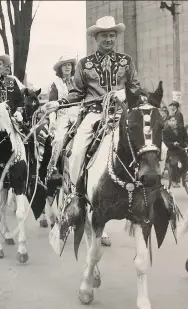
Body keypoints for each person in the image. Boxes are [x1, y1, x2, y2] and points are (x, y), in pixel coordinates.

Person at [43, 16, 140, 246]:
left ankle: (146, 192)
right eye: (104, 35)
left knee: (144, 145)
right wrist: (60, 102)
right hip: (94, 114)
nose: (108, 39)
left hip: (120, 114)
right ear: (96, 38)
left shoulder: (126, 61)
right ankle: (76, 196)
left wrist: (132, 100)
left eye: (112, 35)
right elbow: (77, 92)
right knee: (77, 152)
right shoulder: (84, 64)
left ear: (116, 37)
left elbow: (134, 88)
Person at [44, 55, 79, 179]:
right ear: (60, 68)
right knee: (58, 139)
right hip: (62, 114)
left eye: (69, 64)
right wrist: (52, 121)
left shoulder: (78, 80)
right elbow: (51, 105)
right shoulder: (55, 84)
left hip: (78, 112)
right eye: (65, 65)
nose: (68, 67)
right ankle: (53, 167)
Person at [163, 115, 188, 188]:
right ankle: (173, 180)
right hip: (172, 151)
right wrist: (173, 144)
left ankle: (178, 175)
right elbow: (166, 142)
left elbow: (186, 139)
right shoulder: (165, 130)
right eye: (170, 121)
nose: (172, 122)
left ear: (176, 121)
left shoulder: (181, 128)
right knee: (174, 163)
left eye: (173, 120)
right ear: (168, 122)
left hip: (181, 149)